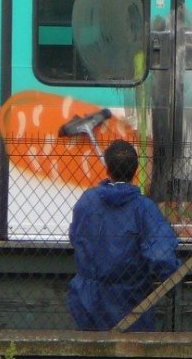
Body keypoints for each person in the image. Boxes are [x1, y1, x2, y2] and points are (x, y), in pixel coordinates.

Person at [67, 140, 180, 331]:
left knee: (89, 355)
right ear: (135, 170)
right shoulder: (143, 209)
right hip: (129, 300)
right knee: (131, 356)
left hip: (87, 298)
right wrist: (171, 279)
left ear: (107, 169)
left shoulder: (88, 201)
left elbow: (76, 236)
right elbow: (161, 253)